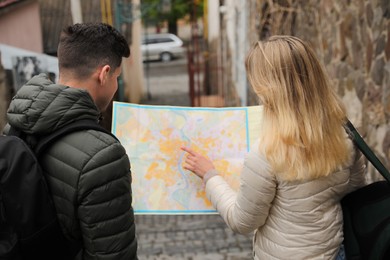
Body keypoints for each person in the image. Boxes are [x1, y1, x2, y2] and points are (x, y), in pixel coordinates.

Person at [181, 35, 367, 259]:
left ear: (268, 90)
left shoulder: (267, 154)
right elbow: (356, 190)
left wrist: (210, 175)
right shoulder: (343, 135)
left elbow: (243, 222)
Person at [5, 23, 137, 259]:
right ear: (104, 74)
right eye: (116, 77)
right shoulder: (103, 155)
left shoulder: (17, 124)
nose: (116, 85)